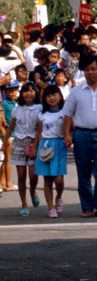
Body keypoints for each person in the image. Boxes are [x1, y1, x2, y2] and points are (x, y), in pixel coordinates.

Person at [63, 50, 97, 217]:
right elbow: (67, 115)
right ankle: (87, 207)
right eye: (87, 69)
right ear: (83, 71)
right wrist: (67, 134)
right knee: (83, 172)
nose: (90, 72)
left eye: (94, 69)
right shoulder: (76, 92)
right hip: (81, 134)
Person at [34, 83, 67, 217]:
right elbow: (39, 132)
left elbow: (70, 128)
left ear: (59, 96)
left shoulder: (65, 113)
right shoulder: (42, 115)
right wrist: (35, 147)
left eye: (54, 95)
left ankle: (59, 196)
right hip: (45, 146)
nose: (51, 98)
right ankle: (51, 207)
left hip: (59, 146)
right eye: (48, 96)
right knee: (47, 179)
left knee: (58, 179)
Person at [10, 79, 42, 215]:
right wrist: (6, 139)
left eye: (31, 91)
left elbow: (40, 128)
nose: (28, 94)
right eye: (25, 91)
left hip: (33, 141)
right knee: (21, 176)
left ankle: (33, 191)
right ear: (21, 94)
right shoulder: (17, 109)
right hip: (19, 141)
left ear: (35, 92)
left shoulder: (39, 108)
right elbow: (12, 125)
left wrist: (36, 144)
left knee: (33, 175)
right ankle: (24, 203)